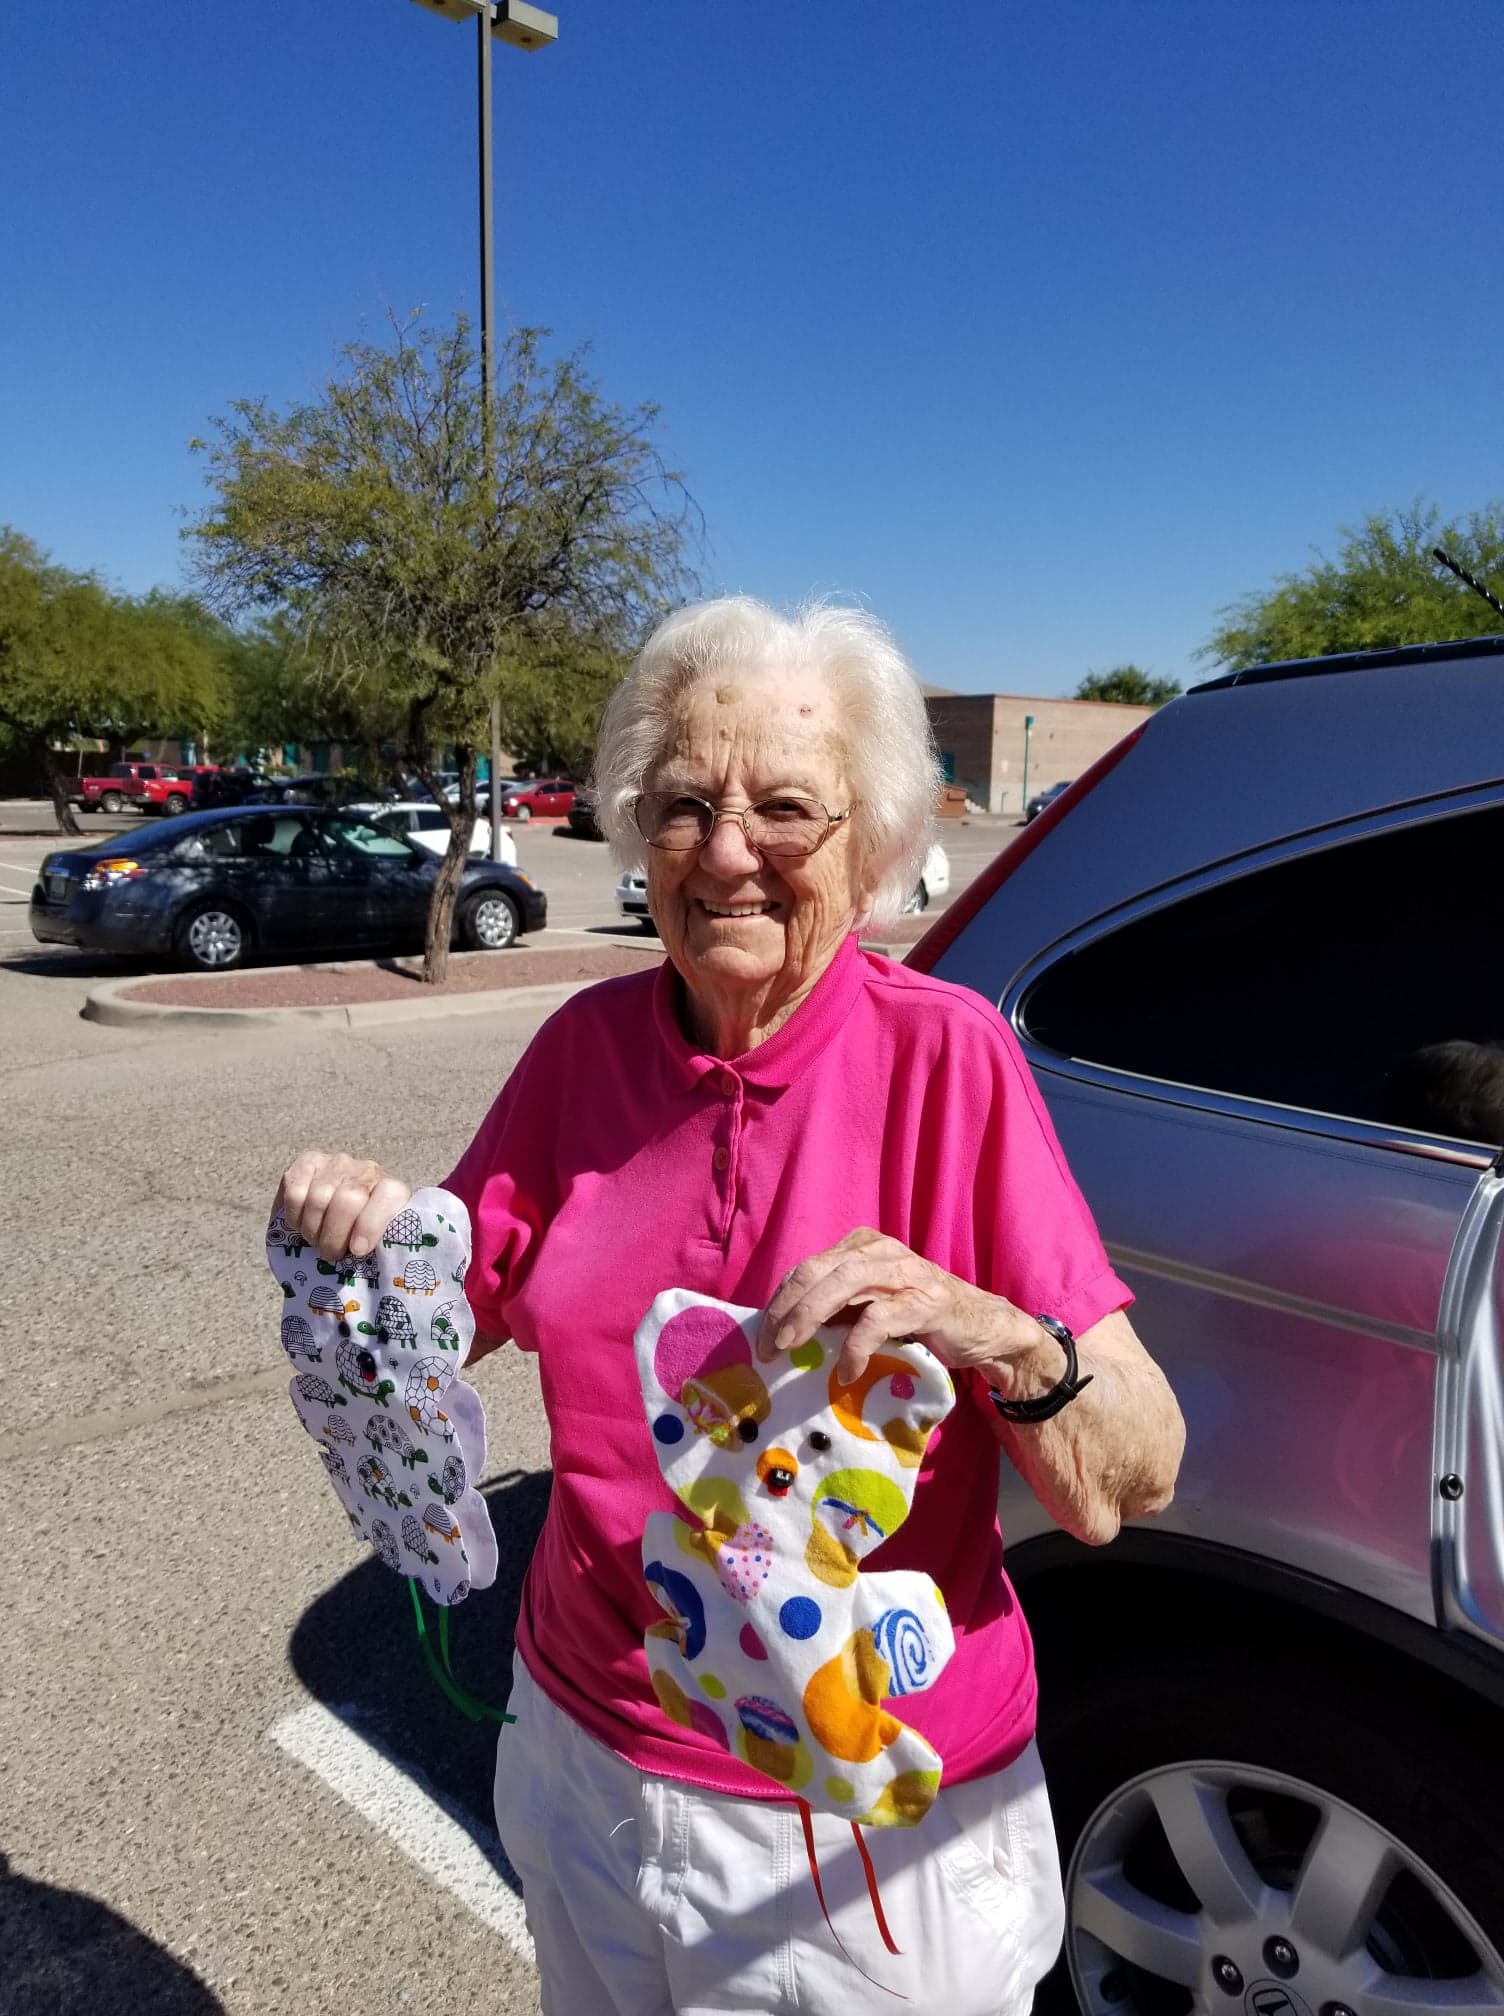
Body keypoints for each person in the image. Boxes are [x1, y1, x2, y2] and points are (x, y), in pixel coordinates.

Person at [276, 597, 1185, 2016]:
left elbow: (1130, 1478)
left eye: (785, 809)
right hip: (582, 1748)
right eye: (685, 806)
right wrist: (364, 1240)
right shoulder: (583, 1048)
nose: (724, 852)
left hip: (858, 1815)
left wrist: (999, 1333)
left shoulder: (947, 1064)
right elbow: (450, 1306)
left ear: (872, 844)